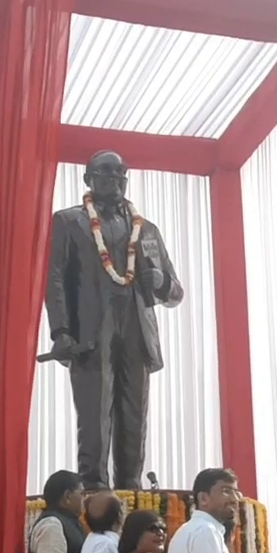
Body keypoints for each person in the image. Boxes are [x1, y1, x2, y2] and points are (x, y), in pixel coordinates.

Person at [44, 150, 185, 491]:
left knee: (134, 413)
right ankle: (93, 488)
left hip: (137, 327)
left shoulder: (146, 230)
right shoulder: (68, 221)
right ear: (88, 179)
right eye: (105, 173)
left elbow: (175, 291)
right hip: (92, 330)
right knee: (95, 411)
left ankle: (130, 488)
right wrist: (61, 331)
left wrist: (161, 282)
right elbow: (55, 279)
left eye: (120, 174)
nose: (114, 180)